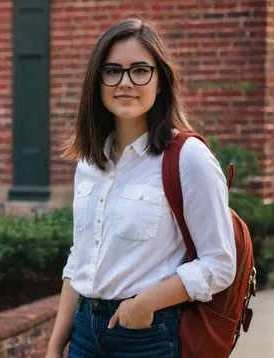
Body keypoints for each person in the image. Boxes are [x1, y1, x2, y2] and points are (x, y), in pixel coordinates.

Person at [45, 17, 237, 358]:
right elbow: (80, 261)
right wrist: (55, 343)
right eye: (113, 70)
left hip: (147, 336)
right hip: (85, 333)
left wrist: (146, 302)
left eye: (140, 70)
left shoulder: (188, 158)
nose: (125, 82)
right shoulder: (90, 163)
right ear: (97, 81)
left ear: (160, 81)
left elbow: (220, 263)